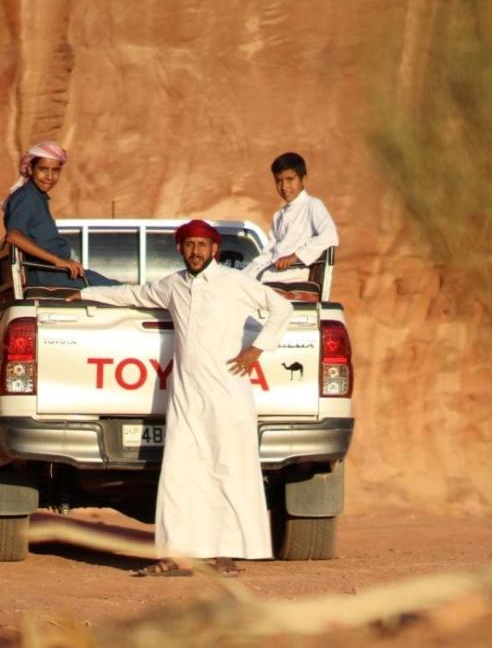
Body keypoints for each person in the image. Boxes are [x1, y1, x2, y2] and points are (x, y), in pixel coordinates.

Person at [69, 219, 292, 576]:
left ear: (214, 249)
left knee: (228, 469)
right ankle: (175, 555)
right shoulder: (173, 285)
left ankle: (226, 554)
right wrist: (85, 293)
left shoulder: (235, 283)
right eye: (189, 245)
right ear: (181, 249)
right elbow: (132, 293)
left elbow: (282, 309)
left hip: (228, 396)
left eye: (203, 245)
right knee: (180, 473)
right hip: (186, 396)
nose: (196, 251)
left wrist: (256, 350)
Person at [1, 140, 114, 289]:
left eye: (55, 170)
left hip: (55, 272)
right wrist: (57, 260)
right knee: (119, 292)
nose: (49, 176)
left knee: (115, 288)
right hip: (47, 275)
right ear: (29, 169)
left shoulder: (37, 196)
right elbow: (13, 235)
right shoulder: (27, 196)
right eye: (43, 169)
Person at [240, 151, 339, 284]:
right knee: (235, 280)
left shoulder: (312, 205)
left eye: (290, 180)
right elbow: (269, 252)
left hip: (294, 272)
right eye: (279, 181)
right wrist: (247, 271)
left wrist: (295, 256)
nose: (284, 187)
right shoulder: (279, 216)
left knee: (250, 283)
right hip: (273, 269)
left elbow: (330, 236)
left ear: (303, 180)